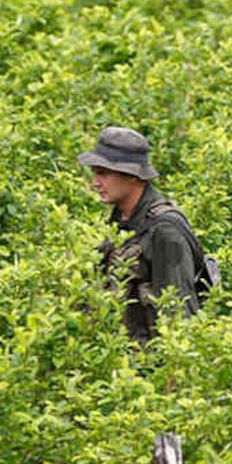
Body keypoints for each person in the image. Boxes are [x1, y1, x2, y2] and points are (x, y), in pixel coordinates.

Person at [79, 126, 204, 342]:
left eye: (103, 174)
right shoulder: (121, 219)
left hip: (149, 359)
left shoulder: (165, 232)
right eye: (95, 173)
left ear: (133, 176)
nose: (95, 183)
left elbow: (179, 317)